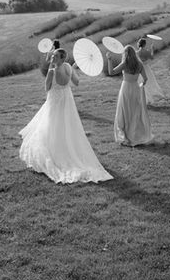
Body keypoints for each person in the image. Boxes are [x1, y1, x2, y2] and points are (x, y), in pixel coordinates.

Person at [19, 48, 113, 184]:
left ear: (62, 58)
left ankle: (56, 151)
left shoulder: (52, 71)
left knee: (52, 124)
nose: (52, 58)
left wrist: (53, 72)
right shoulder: (68, 67)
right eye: (53, 56)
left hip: (55, 101)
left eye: (55, 57)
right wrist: (73, 70)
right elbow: (77, 82)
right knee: (66, 124)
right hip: (67, 99)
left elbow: (46, 88)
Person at [107, 44, 154, 146]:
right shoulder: (139, 64)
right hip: (135, 88)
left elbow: (111, 72)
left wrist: (109, 59)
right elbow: (145, 79)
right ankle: (135, 133)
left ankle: (126, 135)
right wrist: (141, 85)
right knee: (135, 112)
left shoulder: (124, 64)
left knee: (124, 111)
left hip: (126, 88)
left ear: (125, 54)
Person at [137, 36, 165, 103]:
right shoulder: (147, 52)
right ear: (144, 44)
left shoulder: (136, 52)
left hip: (139, 69)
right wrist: (152, 49)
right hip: (146, 68)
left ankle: (141, 96)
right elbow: (152, 58)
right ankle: (147, 96)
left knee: (140, 81)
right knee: (148, 82)